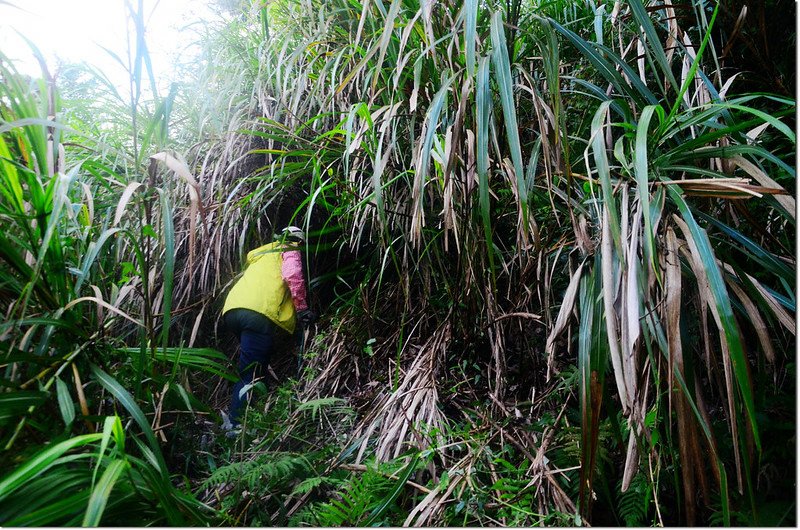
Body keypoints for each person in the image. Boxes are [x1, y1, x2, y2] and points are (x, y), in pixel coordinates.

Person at [220, 226, 316, 435]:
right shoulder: (289, 250)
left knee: (254, 367)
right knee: (251, 374)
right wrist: (302, 309)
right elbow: (292, 274)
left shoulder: (262, 255)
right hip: (258, 313)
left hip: (233, 310)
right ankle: (236, 426)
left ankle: (247, 416)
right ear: (298, 242)